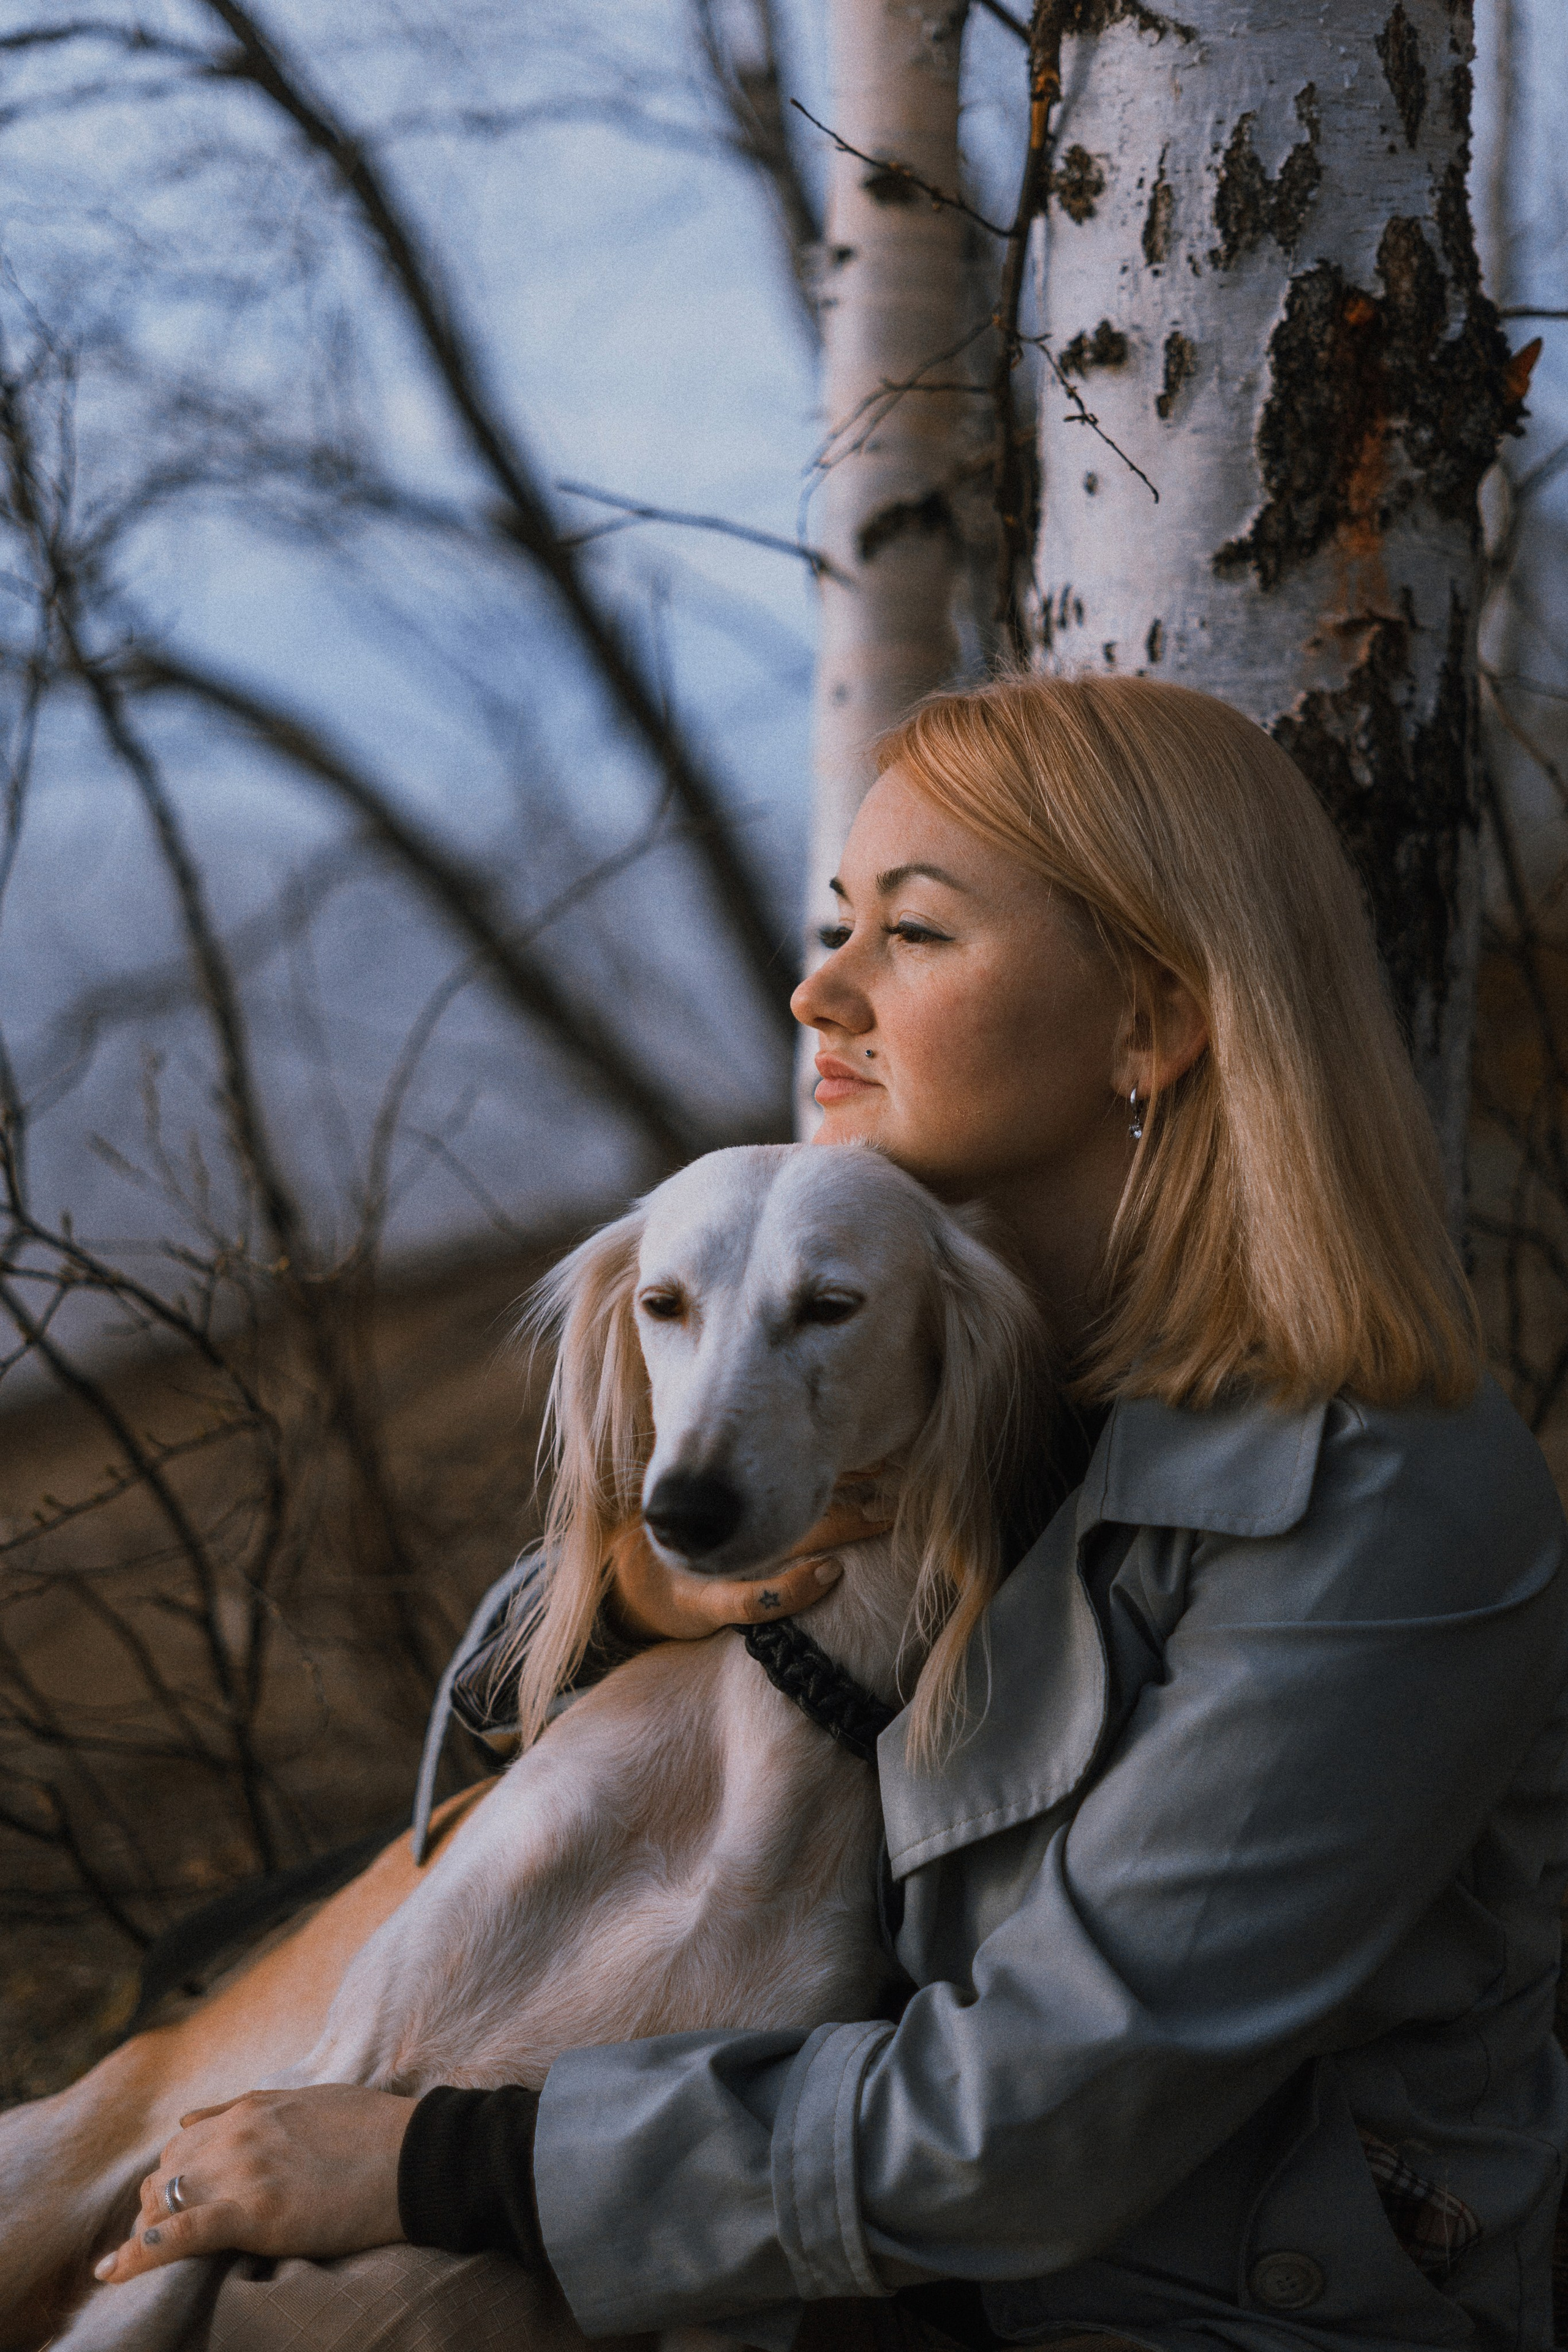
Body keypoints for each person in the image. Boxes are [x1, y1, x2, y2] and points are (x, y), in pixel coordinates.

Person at [101, 677, 1568, 2352]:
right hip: (883, 2289)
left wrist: (452, 2163)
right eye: (835, 923)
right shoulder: (948, 1384)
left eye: (915, 934)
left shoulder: (1381, 1503)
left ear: (1149, 1025)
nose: (821, 988)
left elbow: (1033, 2114)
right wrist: (649, 1601)